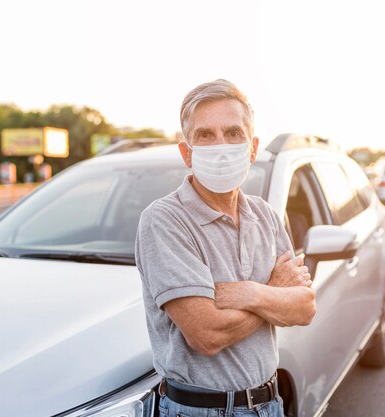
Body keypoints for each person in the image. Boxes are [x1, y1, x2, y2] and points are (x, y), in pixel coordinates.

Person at [135, 79, 316, 417]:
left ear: (252, 147)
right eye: (205, 135)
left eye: (234, 133)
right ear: (186, 153)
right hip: (198, 411)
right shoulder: (164, 220)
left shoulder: (266, 215)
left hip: (269, 405)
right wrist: (275, 294)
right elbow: (206, 335)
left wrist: (250, 292)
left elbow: (304, 307)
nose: (221, 146)